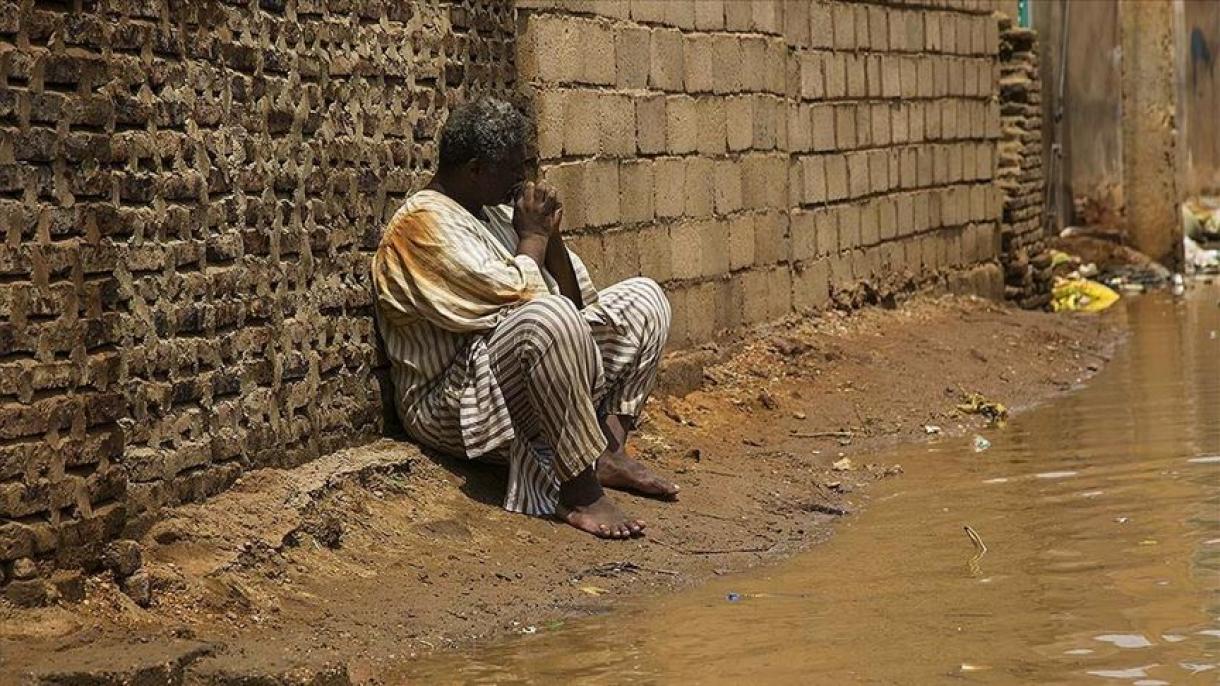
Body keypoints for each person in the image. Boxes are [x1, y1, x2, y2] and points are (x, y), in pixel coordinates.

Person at [371, 97, 679, 539]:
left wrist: (549, 237)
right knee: (543, 319)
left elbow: (577, 309)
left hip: (521, 380)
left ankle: (606, 451)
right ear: (475, 170)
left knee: (644, 299)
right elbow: (525, 304)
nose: (522, 179)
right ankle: (579, 491)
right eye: (511, 169)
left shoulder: (496, 213)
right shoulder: (421, 226)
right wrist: (532, 237)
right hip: (452, 404)